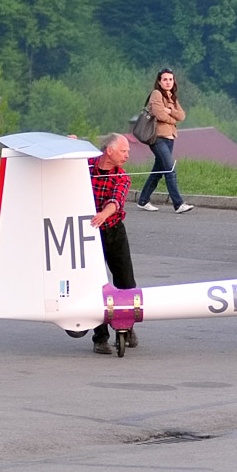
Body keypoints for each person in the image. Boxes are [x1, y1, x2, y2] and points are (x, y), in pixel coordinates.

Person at [87, 133, 138, 355]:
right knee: (96, 283)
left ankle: (126, 327)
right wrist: (70, 142)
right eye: (123, 151)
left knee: (126, 282)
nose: (127, 155)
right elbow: (65, 167)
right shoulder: (86, 165)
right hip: (89, 232)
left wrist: (103, 215)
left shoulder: (122, 176)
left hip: (113, 230)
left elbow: (115, 201)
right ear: (109, 151)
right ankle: (100, 338)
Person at [136, 67, 194, 214]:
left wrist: (170, 111)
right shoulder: (156, 94)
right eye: (165, 79)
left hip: (170, 138)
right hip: (158, 138)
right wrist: (171, 120)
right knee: (170, 169)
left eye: (170, 79)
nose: (168, 82)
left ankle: (143, 200)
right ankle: (178, 204)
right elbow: (159, 114)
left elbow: (181, 115)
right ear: (159, 82)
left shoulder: (172, 97)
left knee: (158, 171)